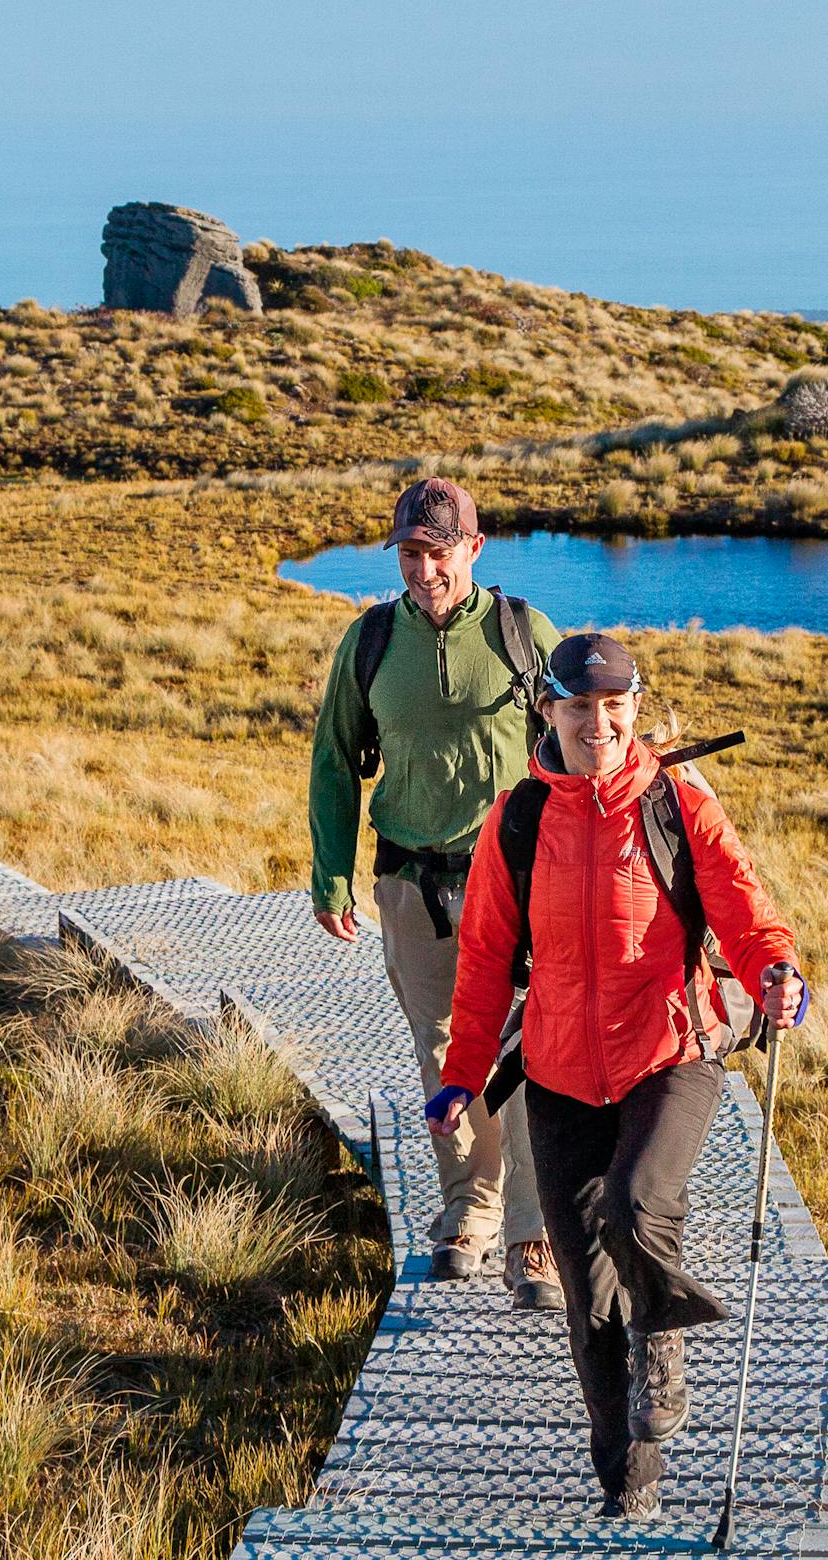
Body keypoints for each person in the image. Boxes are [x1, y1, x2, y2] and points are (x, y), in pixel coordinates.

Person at [428, 632, 807, 1521]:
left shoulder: (679, 805)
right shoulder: (517, 820)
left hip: (670, 1054)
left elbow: (749, 917)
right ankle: (627, 1489)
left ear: (634, 708)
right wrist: (460, 1075)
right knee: (586, 1305)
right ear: (549, 711)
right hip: (559, 1073)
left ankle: (664, 1329)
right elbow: (485, 958)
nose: (597, 723)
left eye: (614, 706)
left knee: (638, 1205)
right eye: (578, 707)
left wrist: (778, 974)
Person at [308, 476, 564, 1306]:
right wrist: (332, 874)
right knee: (443, 1050)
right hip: (411, 886)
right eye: (411, 554)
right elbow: (335, 760)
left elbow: (585, 748)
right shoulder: (373, 640)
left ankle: (533, 1233)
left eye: (439, 552)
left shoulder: (526, 636)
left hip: (517, 888)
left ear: (474, 550)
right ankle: (468, 1213)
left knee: (523, 1053)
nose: (424, 570)